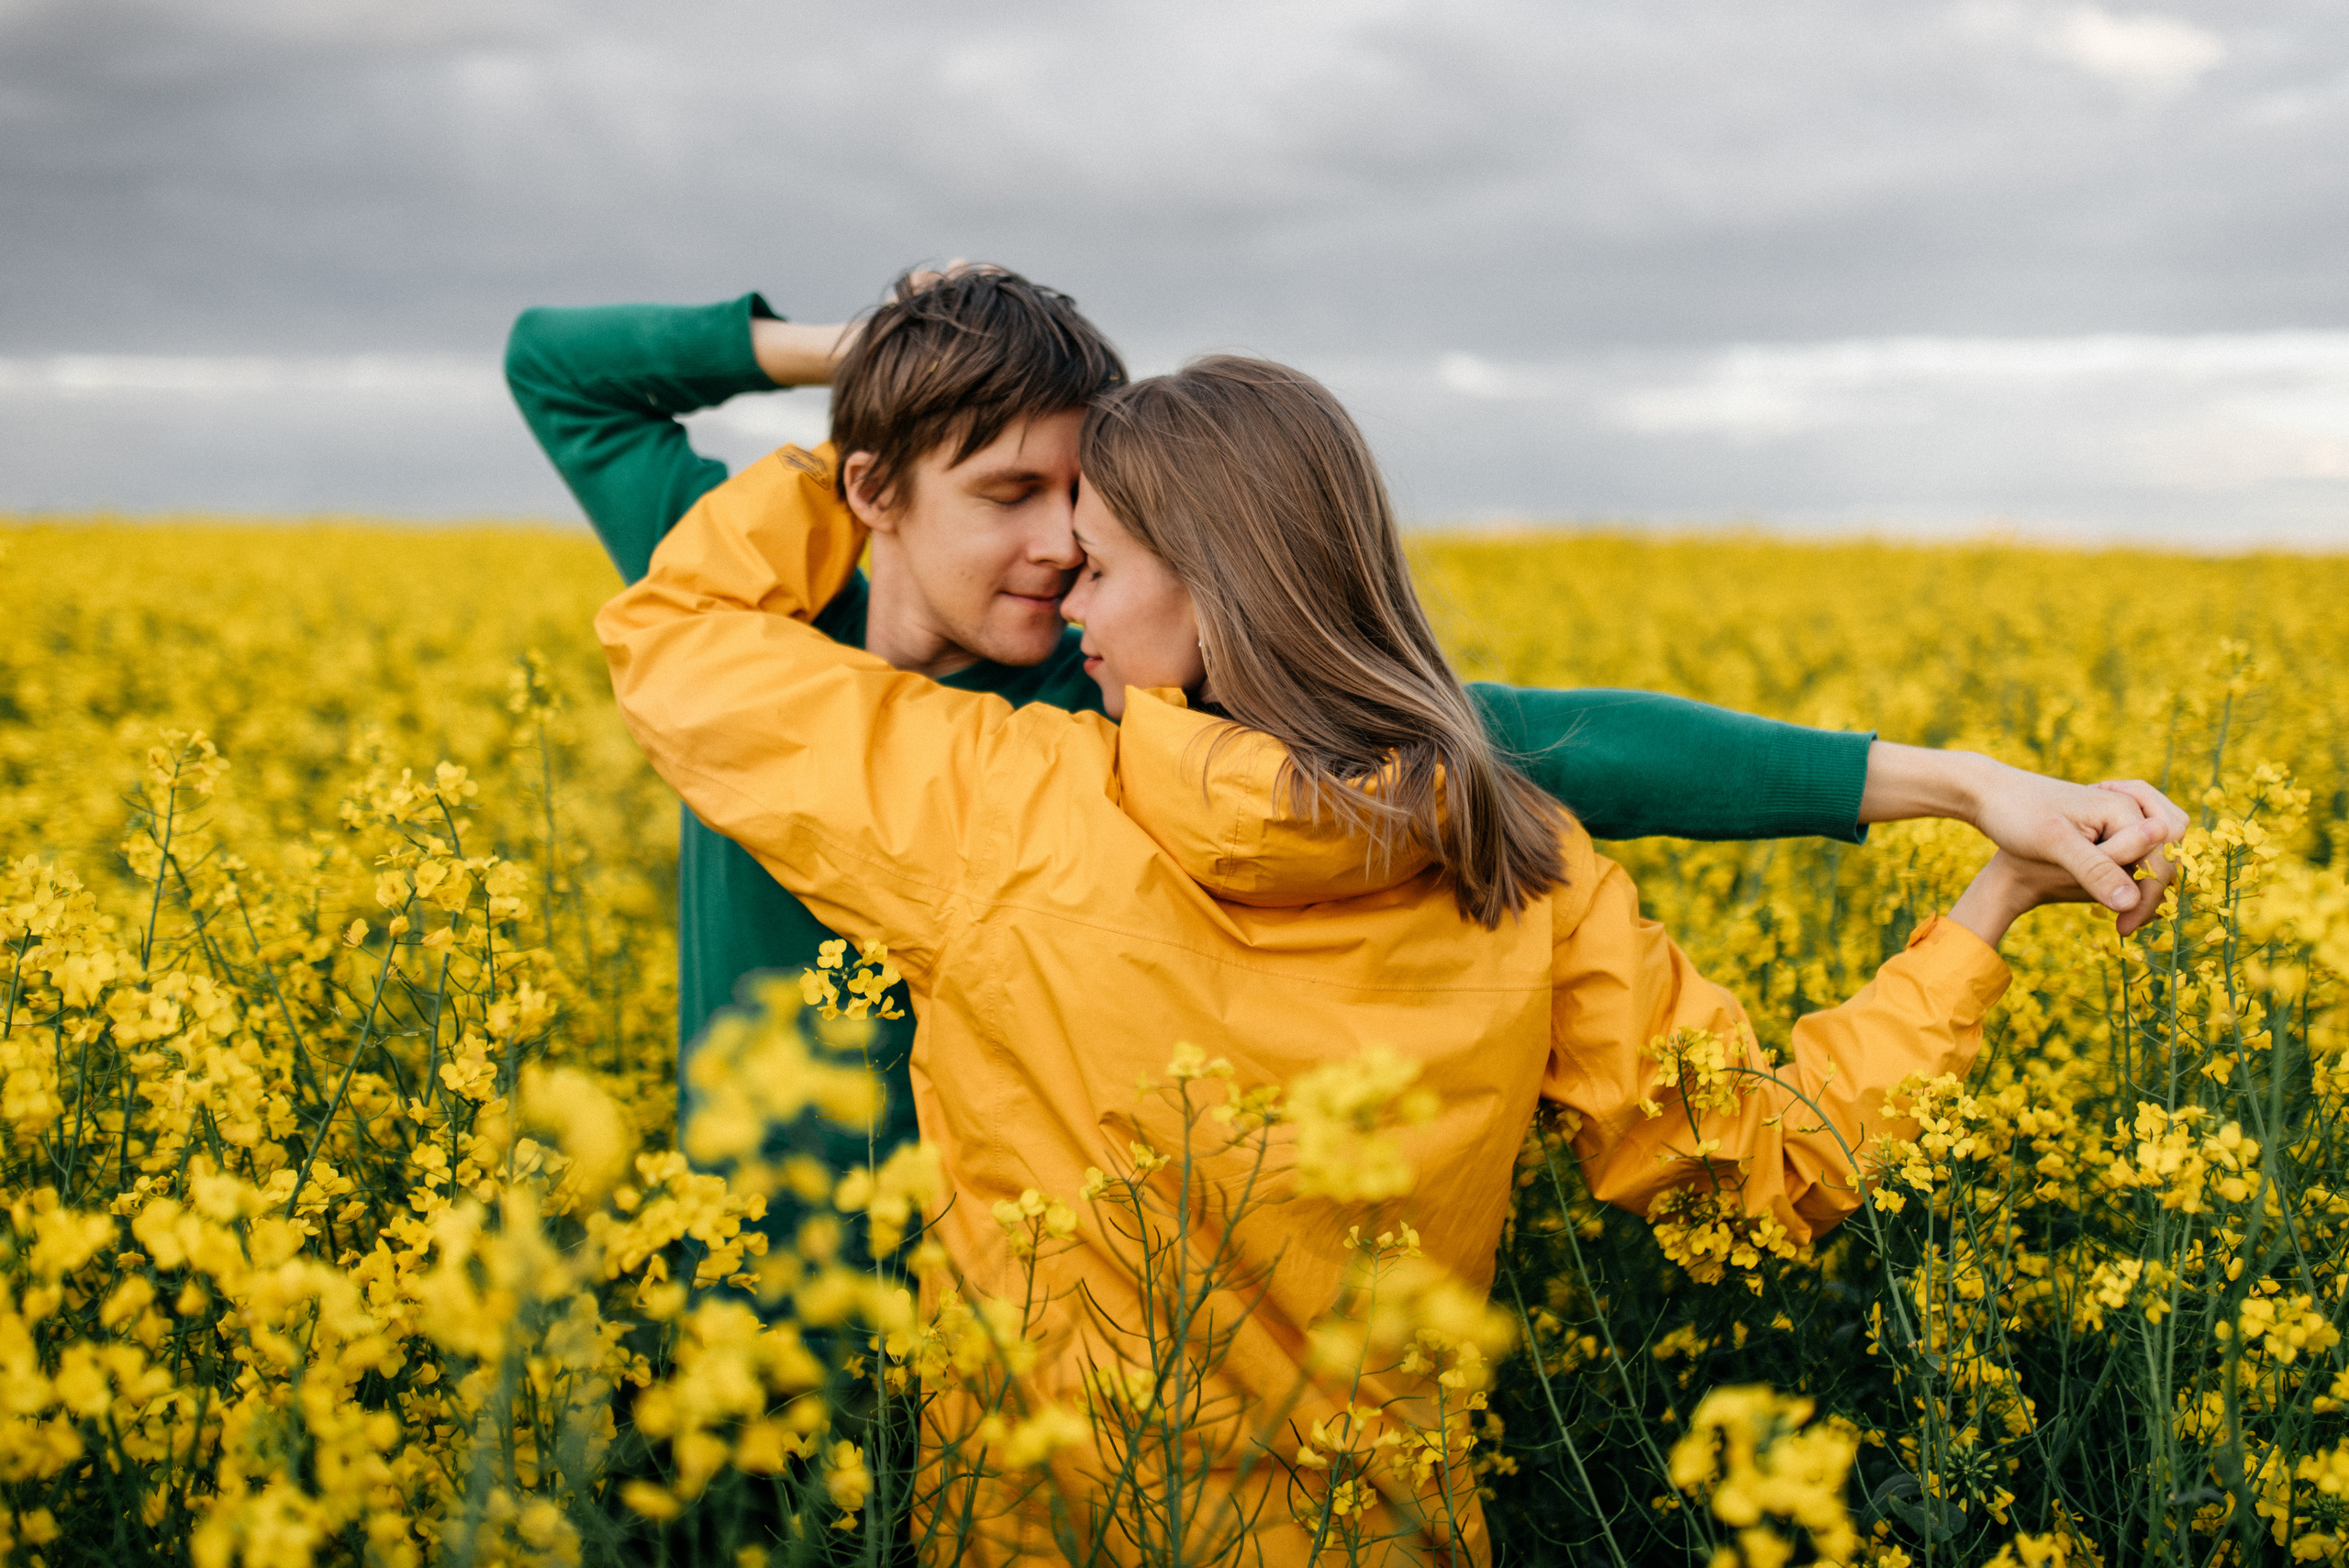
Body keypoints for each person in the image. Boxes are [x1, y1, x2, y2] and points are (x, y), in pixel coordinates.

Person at [596, 352, 2171, 1563]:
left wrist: (860, 447)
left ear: (1210, 594)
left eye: (1098, 563)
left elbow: (675, 639)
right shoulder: (1523, 866)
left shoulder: (998, 807)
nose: (1067, 599)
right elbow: (1783, 1156)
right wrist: (1986, 912)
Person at [509, 269, 2183, 1273]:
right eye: (1011, 495)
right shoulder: (829, 627)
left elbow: (1538, 736)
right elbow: (555, 367)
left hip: (1004, 1353)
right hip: (766, 1281)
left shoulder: (1071, 748)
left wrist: (1936, 781)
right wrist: (875, 348)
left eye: (1087, 515)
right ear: (872, 488)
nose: (1054, 558)